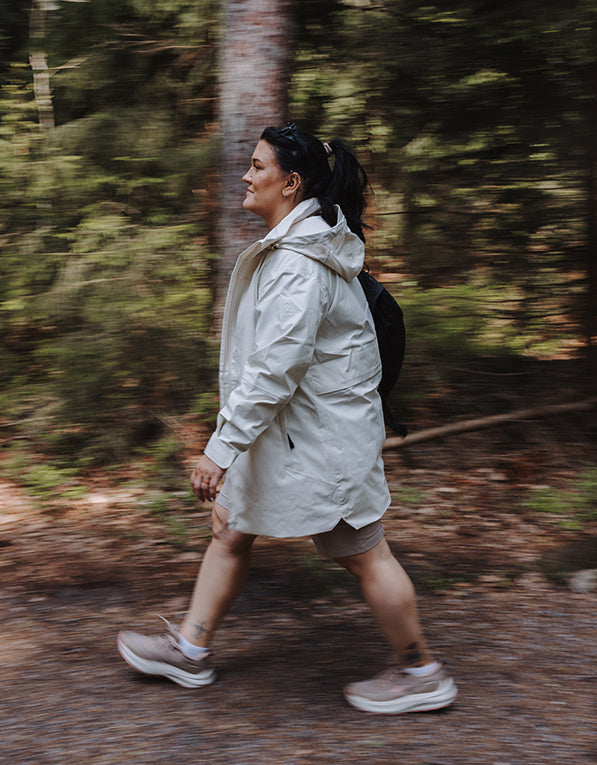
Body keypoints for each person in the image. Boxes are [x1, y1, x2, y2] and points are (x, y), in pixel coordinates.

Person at [117, 123, 457, 714]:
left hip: (322, 443)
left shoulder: (299, 265)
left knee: (363, 551)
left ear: (291, 183)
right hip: (293, 436)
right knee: (232, 528)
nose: (246, 176)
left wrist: (220, 449)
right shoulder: (299, 250)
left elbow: (274, 369)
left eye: (257, 166)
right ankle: (191, 651)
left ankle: (421, 671)